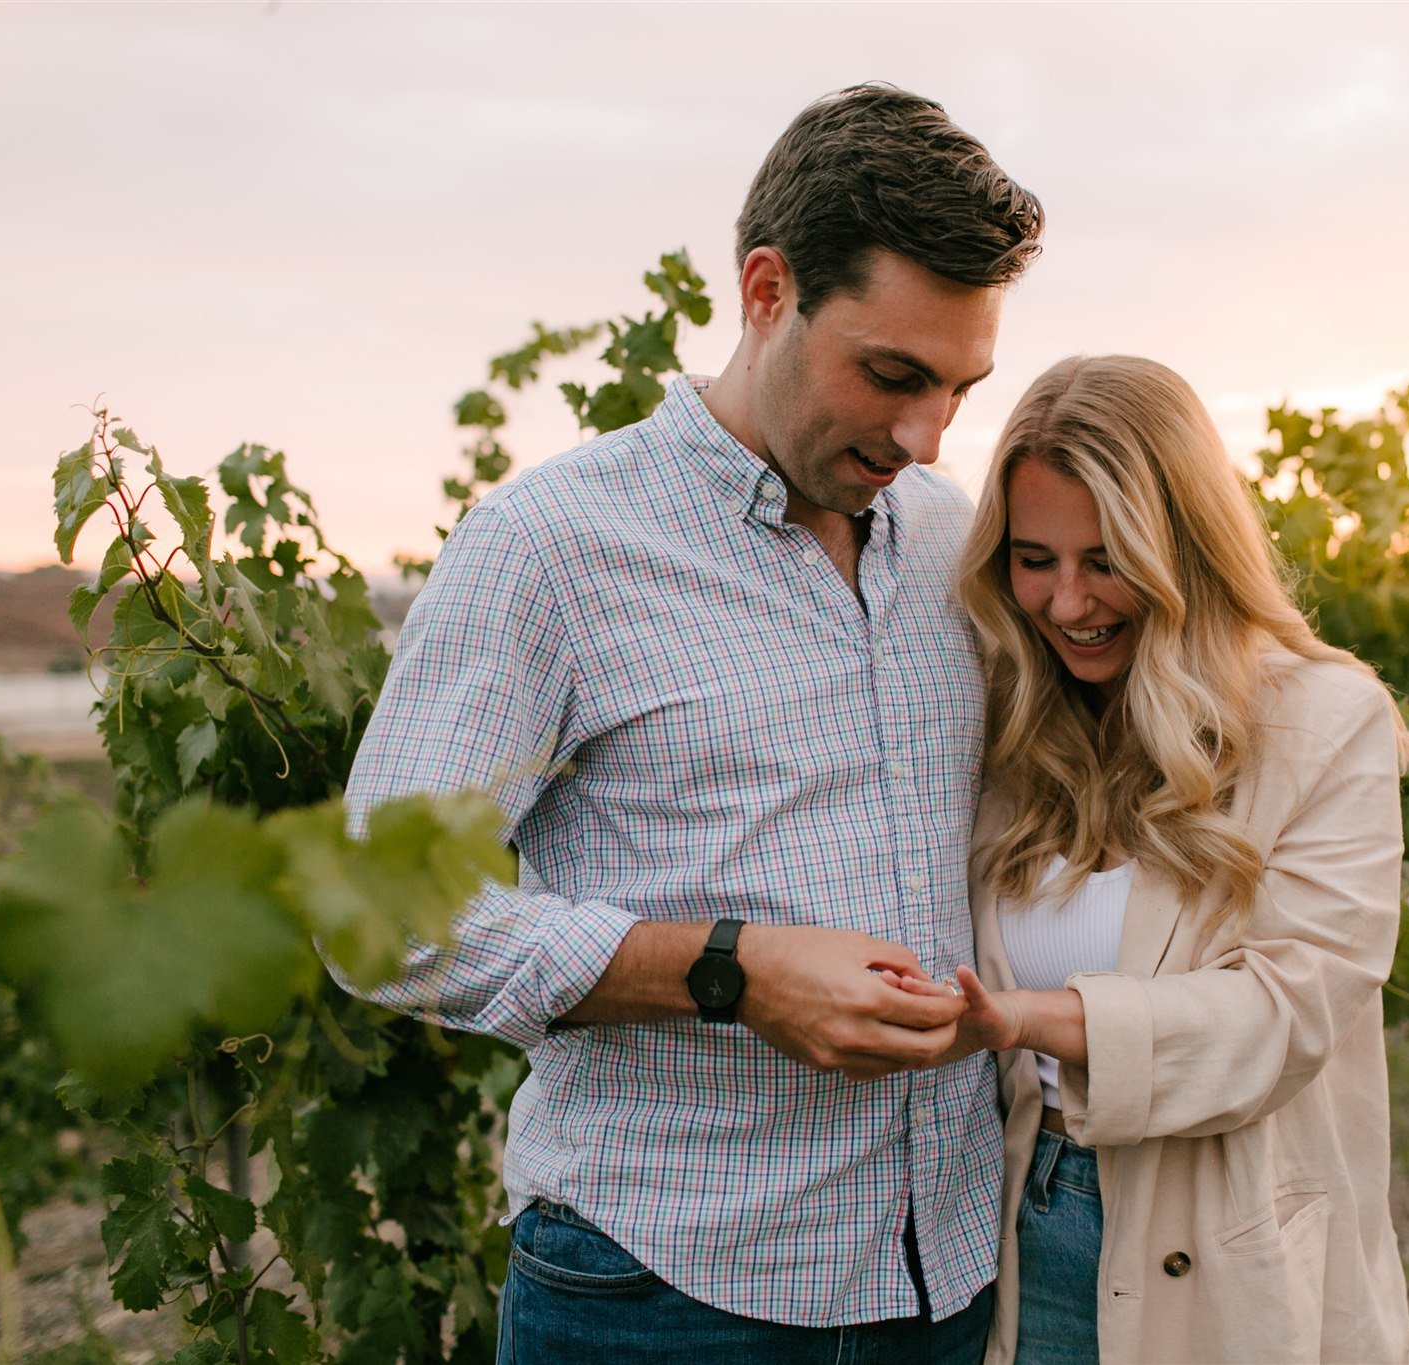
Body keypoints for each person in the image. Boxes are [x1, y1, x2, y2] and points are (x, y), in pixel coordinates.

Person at [333, 84, 1042, 1362]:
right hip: (664, 1294)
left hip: (939, 1277)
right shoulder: (548, 549)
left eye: (957, 386)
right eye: (890, 375)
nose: (925, 433)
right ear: (766, 291)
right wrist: (730, 972)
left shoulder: (951, 538)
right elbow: (376, 915)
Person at [902, 354, 1409, 1363]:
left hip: (1222, 1252)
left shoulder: (1322, 719)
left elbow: (1285, 1010)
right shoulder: (1013, 723)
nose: (1064, 603)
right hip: (1023, 1230)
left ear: (1181, 544)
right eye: (1033, 557)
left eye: (1104, 558)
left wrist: (1022, 1019)